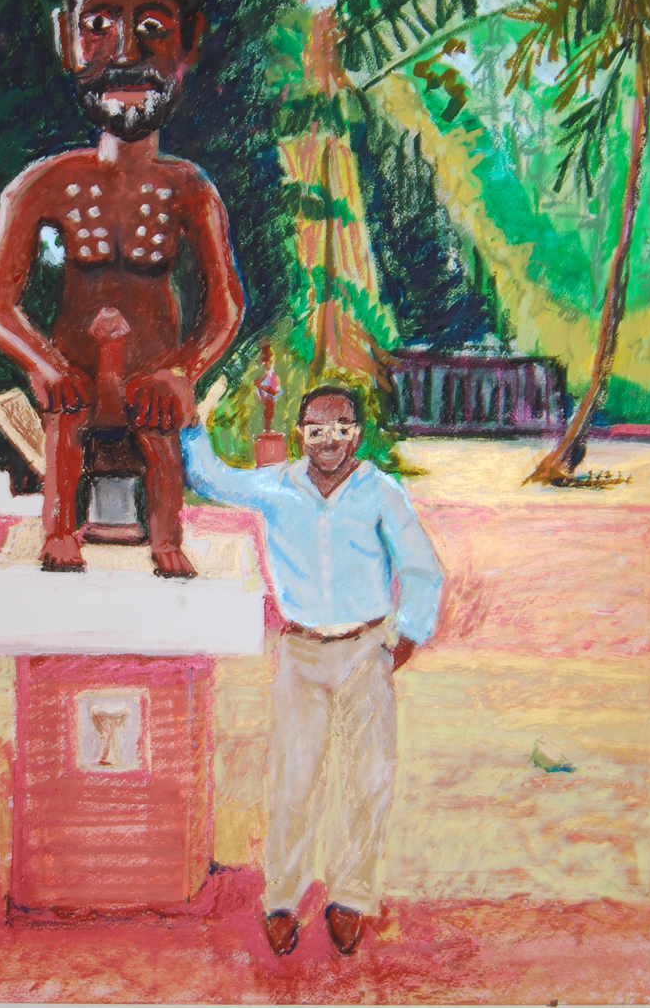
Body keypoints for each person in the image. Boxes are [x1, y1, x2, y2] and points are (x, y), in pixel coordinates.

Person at [0, 0, 257, 576]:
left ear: (187, 45)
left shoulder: (189, 188)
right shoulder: (44, 184)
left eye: (152, 28)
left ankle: (167, 541)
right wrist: (43, 363)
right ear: (68, 42)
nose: (125, 52)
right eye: (99, 24)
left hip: (153, 388)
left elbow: (226, 306)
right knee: (66, 425)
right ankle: (59, 535)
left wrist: (181, 371)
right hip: (70, 388)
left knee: (160, 439)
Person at [181, 383, 443, 957]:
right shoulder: (278, 487)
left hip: (365, 648)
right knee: (295, 780)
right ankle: (281, 900)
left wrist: (407, 639)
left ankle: (350, 896)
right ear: (301, 434)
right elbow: (211, 481)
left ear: (358, 431)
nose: (330, 438)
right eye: (317, 427)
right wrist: (191, 425)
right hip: (299, 652)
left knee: (368, 778)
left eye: (342, 424)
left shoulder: (381, 491)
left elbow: (423, 569)